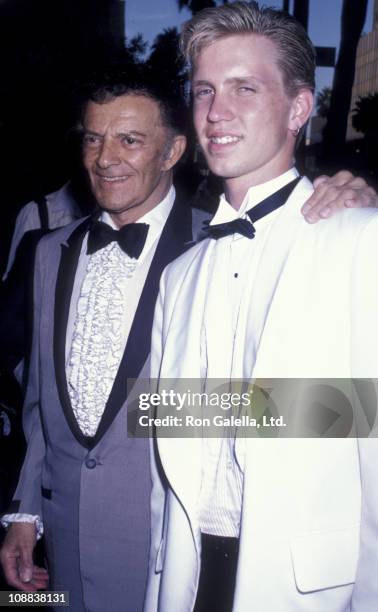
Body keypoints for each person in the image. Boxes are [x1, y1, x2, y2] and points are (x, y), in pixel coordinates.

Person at [0, 65, 375, 610]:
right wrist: (23, 513)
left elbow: (334, 411)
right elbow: (37, 401)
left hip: (170, 552)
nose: (106, 159)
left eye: (130, 140)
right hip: (57, 553)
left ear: (173, 151)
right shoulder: (45, 251)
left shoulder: (224, 245)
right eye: (93, 138)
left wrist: (354, 206)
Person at [146, 4, 378, 612]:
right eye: (204, 91)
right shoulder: (179, 277)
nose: (216, 113)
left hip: (314, 590)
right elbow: (171, 451)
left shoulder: (360, 240)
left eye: (244, 89)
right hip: (191, 581)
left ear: (300, 108)